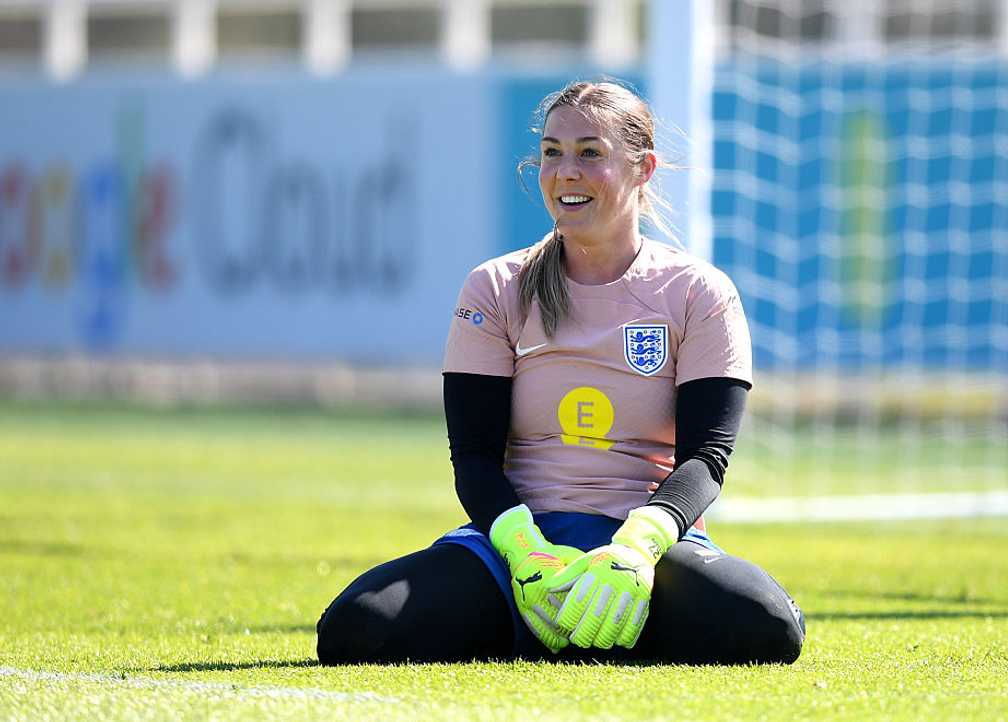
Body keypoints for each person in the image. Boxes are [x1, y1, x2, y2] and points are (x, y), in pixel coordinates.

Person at [316, 81, 805, 665]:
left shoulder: (698, 292)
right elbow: (473, 457)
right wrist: (527, 556)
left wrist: (635, 551)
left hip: (643, 550)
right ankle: (554, 617)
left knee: (767, 628)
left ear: (642, 168)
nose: (565, 172)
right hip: (515, 547)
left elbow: (706, 460)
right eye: (552, 152)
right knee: (356, 630)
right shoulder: (495, 286)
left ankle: (602, 612)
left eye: (590, 153)